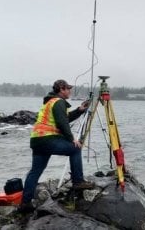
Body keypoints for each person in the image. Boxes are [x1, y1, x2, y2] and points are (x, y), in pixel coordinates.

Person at [19, 79, 94, 212]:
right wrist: (72, 139)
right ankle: (78, 182)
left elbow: (64, 118)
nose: (70, 91)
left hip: (37, 140)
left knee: (35, 172)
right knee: (75, 149)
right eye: (68, 89)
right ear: (61, 89)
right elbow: (62, 123)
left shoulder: (50, 102)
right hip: (48, 139)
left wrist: (80, 110)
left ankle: (25, 203)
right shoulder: (58, 102)